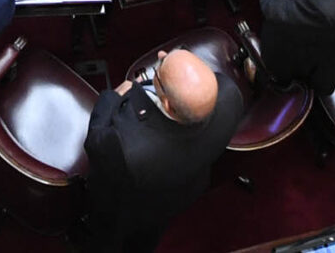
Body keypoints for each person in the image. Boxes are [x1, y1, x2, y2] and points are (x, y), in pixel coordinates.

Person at [83, 49, 244, 253]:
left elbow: (94, 141)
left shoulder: (124, 147)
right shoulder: (231, 94)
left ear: (167, 104)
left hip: (129, 207)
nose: (160, 54)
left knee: (108, 237)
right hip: (182, 192)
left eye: (159, 70)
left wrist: (113, 96)